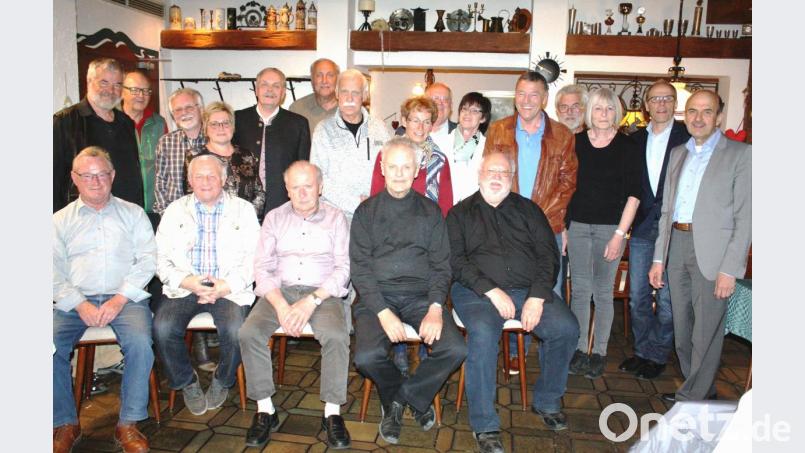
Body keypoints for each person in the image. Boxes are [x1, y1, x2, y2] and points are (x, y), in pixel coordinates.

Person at [448, 153, 580, 451]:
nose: (496, 177)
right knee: (482, 334)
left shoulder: (529, 210)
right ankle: (484, 424)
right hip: (476, 292)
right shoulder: (460, 213)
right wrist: (491, 291)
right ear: (480, 173)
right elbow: (456, 262)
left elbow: (549, 255)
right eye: (491, 171)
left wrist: (537, 295)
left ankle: (547, 401)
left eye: (503, 173)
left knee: (566, 328)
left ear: (512, 177)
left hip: (526, 289)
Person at [351, 137, 467, 445]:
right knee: (365, 356)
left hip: (421, 296)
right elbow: (360, 270)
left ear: (417, 170)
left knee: (455, 348)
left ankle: (402, 400)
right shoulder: (365, 212)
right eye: (393, 166)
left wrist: (434, 307)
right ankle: (408, 397)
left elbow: (442, 266)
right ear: (382, 168)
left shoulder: (431, 212)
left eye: (406, 167)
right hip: (378, 296)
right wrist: (382, 312)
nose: (400, 173)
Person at [239, 161, 352, 449]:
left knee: (337, 336)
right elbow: (261, 269)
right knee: (248, 333)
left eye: (309, 186)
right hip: (280, 291)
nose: (302, 193)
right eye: (295, 187)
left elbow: (343, 268)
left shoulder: (337, 218)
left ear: (320, 187)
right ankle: (265, 409)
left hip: (322, 292)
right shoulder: (274, 218)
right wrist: (281, 305)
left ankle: (332, 413)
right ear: (287, 190)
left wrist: (311, 300)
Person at [649, 90, 751, 402]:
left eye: (707, 111)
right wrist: (657, 259)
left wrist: (730, 269)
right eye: (692, 111)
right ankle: (700, 388)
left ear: (718, 116)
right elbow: (667, 210)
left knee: (706, 330)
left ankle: (691, 398)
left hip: (714, 253)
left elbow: (745, 217)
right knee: (682, 326)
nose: (698, 117)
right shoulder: (678, 153)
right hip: (676, 245)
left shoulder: (741, 154)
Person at [53, 147, 156, 453]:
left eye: (101, 174)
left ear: (112, 176)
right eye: (87, 175)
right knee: (47, 346)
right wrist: (79, 303)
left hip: (125, 299)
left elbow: (148, 260)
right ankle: (65, 422)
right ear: (75, 178)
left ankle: (128, 423)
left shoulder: (134, 214)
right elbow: (50, 270)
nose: (95, 181)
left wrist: (119, 300)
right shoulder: (58, 221)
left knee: (140, 342)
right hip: (75, 300)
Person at [483, 71, 578, 374]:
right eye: (521, 93)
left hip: (547, 226)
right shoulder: (498, 131)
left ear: (545, 99)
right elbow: (490, 175)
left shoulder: (563, 135)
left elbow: (567, 184)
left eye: (533, 94)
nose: (526, 100)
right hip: (505, 229)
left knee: (549, 295)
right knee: (509, 288)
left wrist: (539, 220)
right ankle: (513, 352)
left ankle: (552, 356)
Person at [153, 155, 260, 417]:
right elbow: (158, 258)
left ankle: (223, 380)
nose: (205, 181)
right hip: (186, 285)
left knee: (236, 330)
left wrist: (225, 286)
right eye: (198, 176)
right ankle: (186, 381)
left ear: (224, 179)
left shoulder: (244, 210)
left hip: (229, 287)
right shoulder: (174, 210)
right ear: (189, 181)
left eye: (212, 175)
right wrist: (188, 281)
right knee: (162, 327)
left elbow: (256, 258)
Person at [566, 88, 643, 379]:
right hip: (578, 227)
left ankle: (598, 351)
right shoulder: (575, 144)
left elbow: (634, 196)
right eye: (598, 109)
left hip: (612, 228)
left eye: (609, 110)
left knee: (603, 292)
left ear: (617, 113)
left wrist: (620, 234)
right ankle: (578, 349)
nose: (603, 115)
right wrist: (564, 227)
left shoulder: (628, 147)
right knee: (581, 291)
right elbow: (567, 190)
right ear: (589, 112)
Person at [618, 80, 690, 380]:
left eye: (667, 99)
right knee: (637, 295)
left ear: (675, 104)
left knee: (668, 299)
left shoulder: (688, 138)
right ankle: (643, 350)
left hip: (675, 229)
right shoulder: (633, 141)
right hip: (644, 228)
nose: (661, 104)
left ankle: (658, 354)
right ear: (646, 106)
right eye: (655, 99)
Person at [54, 58, 143, 212]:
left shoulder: (126, 123)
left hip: (126, 217)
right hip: (83, 219)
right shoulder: (65, 122)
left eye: (117, 85)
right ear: (89, 81)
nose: (111, 90)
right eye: (104, 82)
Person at [310, 68, 391, 221]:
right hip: (335, 217)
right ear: (337, 94)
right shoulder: (323, 130)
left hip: (375, 214)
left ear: (365, 96)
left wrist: (374, 203)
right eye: (344, 91)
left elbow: (390, 168)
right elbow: (319, 177)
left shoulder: (379, 127)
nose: (349, 98)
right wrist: (356, 203)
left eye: (355, 92)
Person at [232, 67, 311, 218]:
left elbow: (303, 168)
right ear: (256, 89)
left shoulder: (298, 124)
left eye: (276, 86)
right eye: (265, 85)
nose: (270, 90)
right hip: (242, 206)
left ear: (283, 93)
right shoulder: (237, 119)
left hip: (283, 206)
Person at [370, 96, 453, 217]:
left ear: (431, 126)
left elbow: (446, 206)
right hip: (389, 223)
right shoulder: (387, 154)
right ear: (404, 121)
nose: (421, 127)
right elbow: (375, 197)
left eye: (426, 122)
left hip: (426, 227)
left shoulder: (439, 160)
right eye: (415, 120)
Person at [187, 101, 265, 215]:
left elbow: (259, 193)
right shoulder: (195, 156)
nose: (221, 128)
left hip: (245, 223)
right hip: (209, 223)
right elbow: (190, 196)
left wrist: (245, 218)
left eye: (226, 123)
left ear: (232, 127)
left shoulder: (246, 155)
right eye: (214, 124)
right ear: (205, 128)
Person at [120, 70, 168, 227]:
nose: (141, 95)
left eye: (146, 90)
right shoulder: (111, 122)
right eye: (134, 90)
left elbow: (166, 166)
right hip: (120, 209)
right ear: (122, 91)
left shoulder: (159, 123)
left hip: (152, 209)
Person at [154, 87, 206, 214]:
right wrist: (165, 214)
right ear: (173, 116)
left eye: (189, 107)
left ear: (201, 109)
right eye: (178, 110)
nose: (184, 113)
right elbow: (160, 182)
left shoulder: (214, 139)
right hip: (175, 215)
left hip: (209, 213)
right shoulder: (165, 142)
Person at [444, 92, 492, 203]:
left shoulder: (488, 148)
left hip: (476, 208)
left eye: (474, 110)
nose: (467, 113)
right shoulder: (442, 143)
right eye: (464, 109)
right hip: (445, 206)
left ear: (483, 118)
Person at [289, 58, 340, 132]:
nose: (324, 81)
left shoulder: (352, 109)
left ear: (338, 79)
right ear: (312, 79)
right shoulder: (297, 109)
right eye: (319, 75)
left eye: (330, 75)